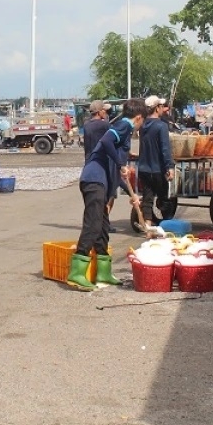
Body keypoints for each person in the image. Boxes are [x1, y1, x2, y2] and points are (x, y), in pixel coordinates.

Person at [68, 98, 146, 291]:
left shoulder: (122, 129)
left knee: (103, 227)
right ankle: (77, 272)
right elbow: (106, 141)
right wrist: (121, 163)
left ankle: (103, 271)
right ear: (138, 118)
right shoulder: (124, 126)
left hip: (101, 181)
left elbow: (115, 170)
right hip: (93, 180)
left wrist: (131, 192)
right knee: (93, 224)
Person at [136, 96, 175, 229]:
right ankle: (167, 225)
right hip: (157, 169)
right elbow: (165, 149)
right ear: (157, 108)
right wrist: (170, 166)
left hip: (143, 168)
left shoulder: (142, 125)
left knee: (147, 198)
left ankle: (147, 225)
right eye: (160, 106)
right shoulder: (161, 126)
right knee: (164, 198)